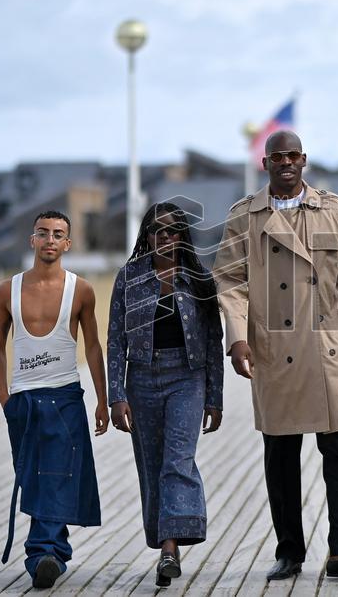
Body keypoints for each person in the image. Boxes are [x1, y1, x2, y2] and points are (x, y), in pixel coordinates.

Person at [213, 130, 338, 581]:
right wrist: (237, 337)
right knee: (279, 455)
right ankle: (290, 551)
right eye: (277, 156)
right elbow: (229, 280)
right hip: (272, 348)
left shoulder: (334, 209)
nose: (285, 162)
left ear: (303, 160)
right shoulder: (244, 216)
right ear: (266, 163)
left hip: (328, 346)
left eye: (293, 156)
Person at [106, 202, 224, 587]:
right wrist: (116, 394)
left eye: (173, 230)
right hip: (142, 379)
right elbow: (114, 340)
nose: (165, 236)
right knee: (152, 464)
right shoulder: (129, 277)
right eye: (158, 230)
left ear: (182, 236)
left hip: (187, 379)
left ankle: (170, 550)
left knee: (178, 458)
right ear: (147, 235)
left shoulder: (199, 279)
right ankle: (165, 542)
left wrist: (214, 397)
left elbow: (211, 341)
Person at [0, 210, 108, 590]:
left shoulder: (82, 290)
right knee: (33, 478)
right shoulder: (8, 290)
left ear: (68, 243)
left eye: (58, 234)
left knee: (58, 475)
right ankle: (52, 552)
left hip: (65, 396)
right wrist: (5, 400)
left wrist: (102, 400)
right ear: (32, 240)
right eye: (43, 233)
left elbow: (93, 347)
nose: (50, 240)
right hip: (24, 399)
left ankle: (44, 554)